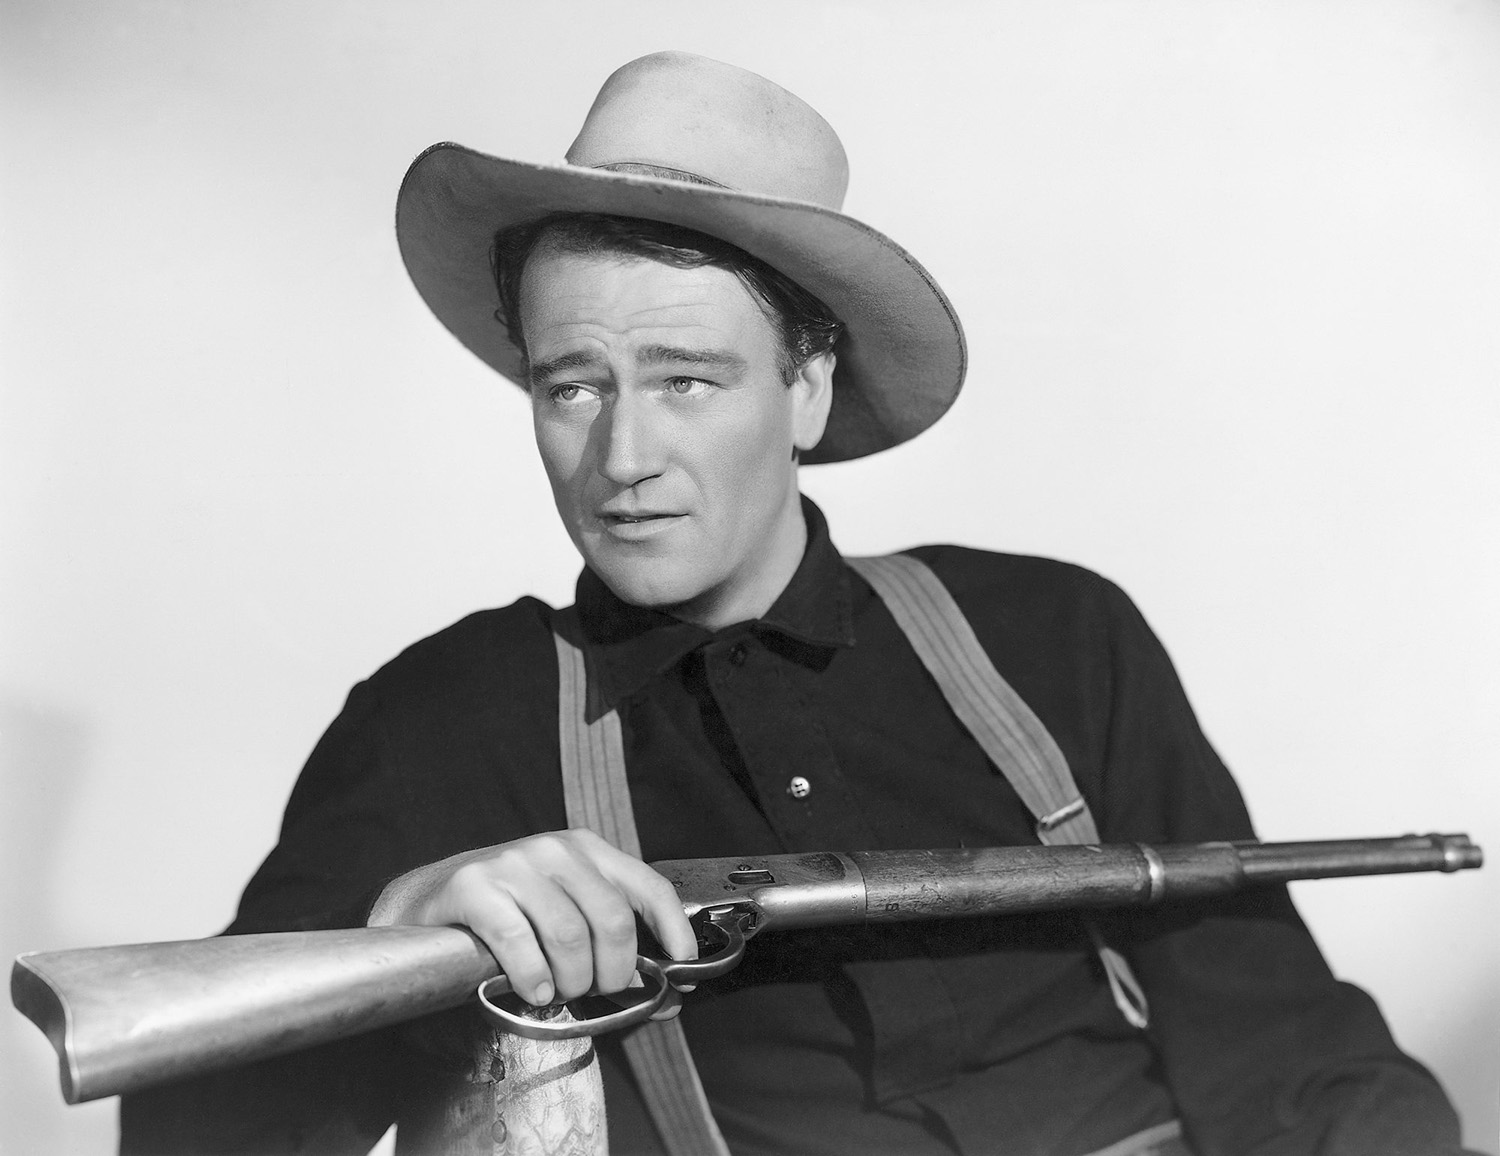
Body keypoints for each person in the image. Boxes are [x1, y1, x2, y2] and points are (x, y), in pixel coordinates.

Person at [120, 51, 1475, 1156]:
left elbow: (1296, 1068)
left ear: (807, 388)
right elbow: (198, 1133)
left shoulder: (1058, 637)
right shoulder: (443, 717)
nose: (623, 456)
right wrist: (403, 928)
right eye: (573, 385)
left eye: (686, 380)